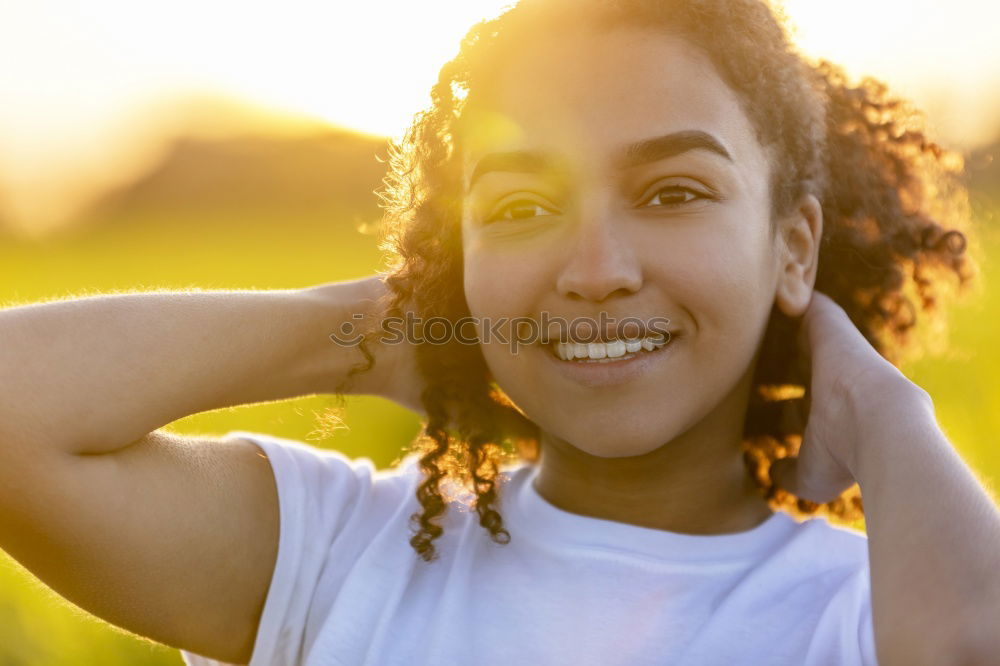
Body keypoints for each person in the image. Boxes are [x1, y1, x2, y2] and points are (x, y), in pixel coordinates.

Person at [0, 0, 997, 664]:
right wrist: (364, 330)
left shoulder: (862, 610)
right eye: (521, 209)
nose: (596, 269)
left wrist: (879, 407)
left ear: (793, 246)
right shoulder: (342, 553)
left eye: (674, 191)